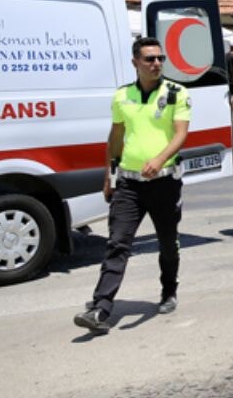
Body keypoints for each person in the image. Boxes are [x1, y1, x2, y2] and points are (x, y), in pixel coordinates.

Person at [75, 37, 191, 334]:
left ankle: (168, 290)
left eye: (160, 59)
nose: (156, 64)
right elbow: (115, 138)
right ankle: (101, 308)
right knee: (118, 243)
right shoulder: (122, 96)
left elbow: (180, 135)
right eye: (150, 59)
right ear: (135, 63)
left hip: (164, 182)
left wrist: (160, 158)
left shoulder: (177, 93)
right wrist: (107, 176)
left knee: (167, 242)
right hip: (128, 183)